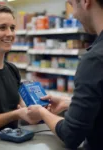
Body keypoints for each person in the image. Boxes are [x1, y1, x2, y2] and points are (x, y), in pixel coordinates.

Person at [27, 0, 103, 149]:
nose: (74, 14)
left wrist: (42, 112)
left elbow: (71, 135)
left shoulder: (95, 59)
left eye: (71, 4)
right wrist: (70, 103)